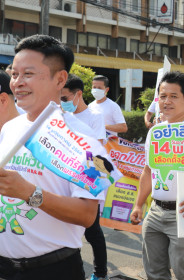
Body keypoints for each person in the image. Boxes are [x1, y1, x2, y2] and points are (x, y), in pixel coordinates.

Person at [0, 34, 99, 280]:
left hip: (53, 269)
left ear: (60, 79)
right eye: (14, 74)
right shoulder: (10, 128)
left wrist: (28, 192)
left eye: (29, 74)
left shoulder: (86, 140)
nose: (18, 83)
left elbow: (87, 215)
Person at [130, 71, 184, 280]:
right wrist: (139, 205)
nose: (166, 101)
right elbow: (148, 171)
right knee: (154, 270)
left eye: (173, 96)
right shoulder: (155, 132)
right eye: (162, 96)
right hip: (155, 211)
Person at [61, 74, 108, 280]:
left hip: (88, 177)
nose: (62, 103)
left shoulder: (94, 117)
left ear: (78, 95)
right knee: (66, 229)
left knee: (92, 230)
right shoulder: (59, 116)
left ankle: (100, 273)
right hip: (64, 177)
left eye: (64, 98)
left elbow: (96, 149)